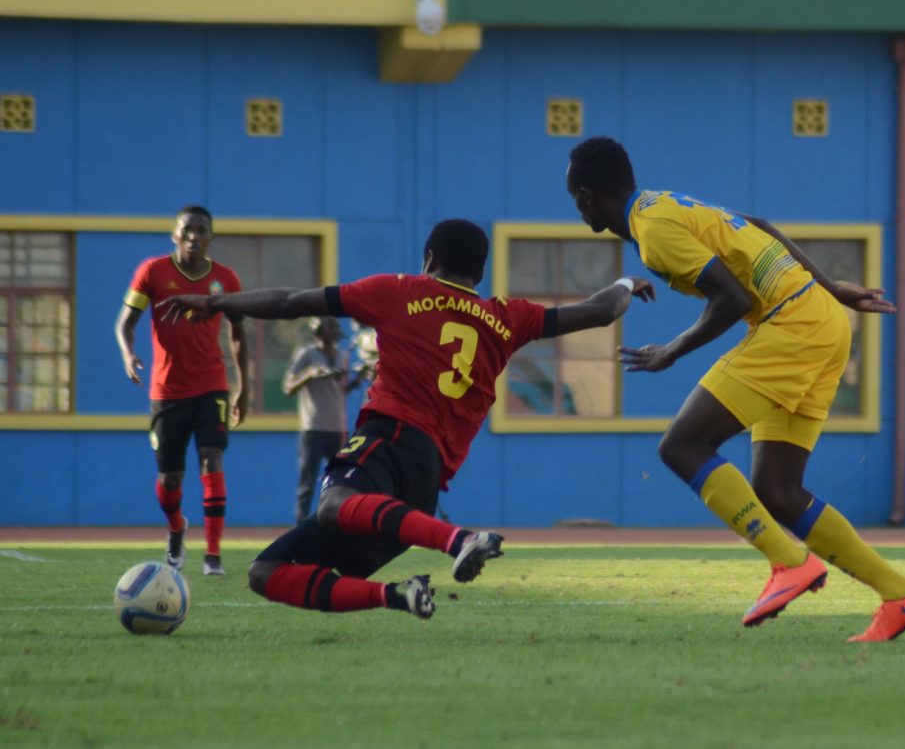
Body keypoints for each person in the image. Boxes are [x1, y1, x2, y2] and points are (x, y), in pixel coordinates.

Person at [157, 219, 654, 620]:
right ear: (479, 273)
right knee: (265, 571)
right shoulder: (508, 317)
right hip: (425, 483)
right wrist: (627, 280)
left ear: (430, 260)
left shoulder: (396, 292)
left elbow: (290, 302)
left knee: (331, 503)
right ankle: (398, 595)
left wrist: (215, 301)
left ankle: (457, 538)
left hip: (388, 437)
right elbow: (602, 310)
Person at [566, 137, 905, 642]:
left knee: (682, 446)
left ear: (587, 196)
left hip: (791, 325)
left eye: (574, 199)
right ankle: (902, 595)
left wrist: (671, 349)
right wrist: (829, 288)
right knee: (778, 492)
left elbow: (733, 299)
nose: (576, 208)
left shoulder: (650, 231)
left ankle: (788, 563)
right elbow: (758, 225)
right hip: (819, 320)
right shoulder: (663, 202)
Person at [115, 205, 249, 577]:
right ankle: (177, 528)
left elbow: (239, 333)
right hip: (167, 392)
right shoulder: (152, 272)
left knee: (212, 458)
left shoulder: (225, 279)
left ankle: (213, 556)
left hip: (212, 387)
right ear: (174, 236)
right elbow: (125, 323)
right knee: (170, 478)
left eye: (201, 231)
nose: (194, 237)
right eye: (187, 230)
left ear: (210, 238)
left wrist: (244, 387)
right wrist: (128, 354)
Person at [283, 316, 367, 525]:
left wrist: (357, 380)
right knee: (307, 484)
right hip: (313, 428)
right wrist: (310, 375)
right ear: (318, 331)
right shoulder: (307, 354)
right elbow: (288, 388)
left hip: (337, 430)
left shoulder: (341, 355)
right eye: (332, 328)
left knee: (341, 482)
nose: (336, 333)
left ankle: (334, 525)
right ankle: (300, 528)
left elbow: (339, 391)